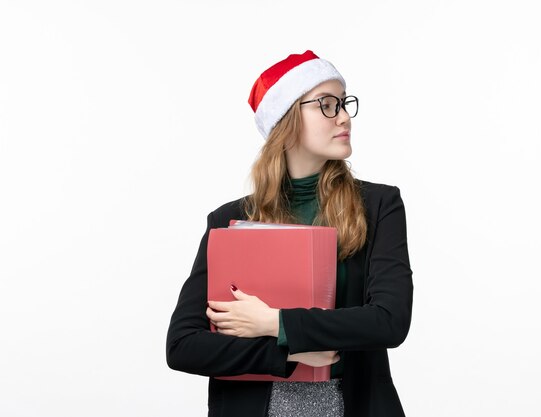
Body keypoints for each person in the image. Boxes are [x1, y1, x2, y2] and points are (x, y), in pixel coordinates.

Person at [166, 50, 413, 417]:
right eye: (327, 105)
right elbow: (183, 346)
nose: (343, 116)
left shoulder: (378, 205)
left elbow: (389, 321)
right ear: (286, 121)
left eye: (344, 104)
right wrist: (288, 351)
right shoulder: (229, 220)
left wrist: (275, 322)